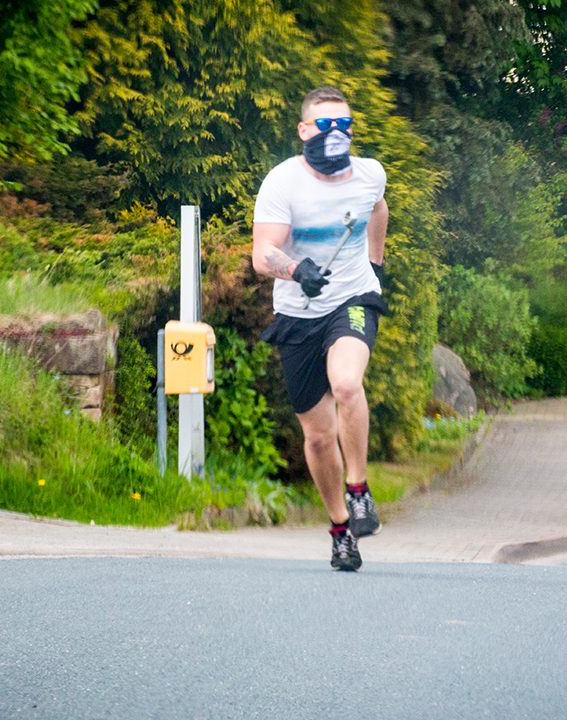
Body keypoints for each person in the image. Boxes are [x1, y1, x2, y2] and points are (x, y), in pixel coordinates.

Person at [252, 86, 389, 571]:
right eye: (326, 126)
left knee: (347, 385)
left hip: (351, 298)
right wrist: (296, 270)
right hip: (297, 313)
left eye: (344, 127)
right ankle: (340, 530)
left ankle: (359, 492)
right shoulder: (283, 183)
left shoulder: (370, 173)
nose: (336, 135)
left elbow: (377, 208)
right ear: (305, 130)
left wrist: (376, 261)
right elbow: (262, 253)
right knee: (316, 435)